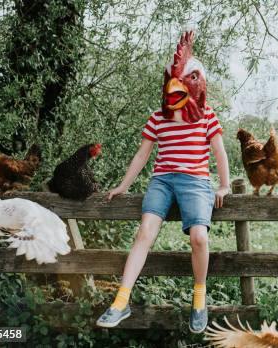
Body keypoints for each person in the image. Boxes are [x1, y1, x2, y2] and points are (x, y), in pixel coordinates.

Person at [96, 31, 230, 334]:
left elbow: (219, 151)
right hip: (162, 180)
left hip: (195, 181)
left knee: (199, 237)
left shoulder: (207, 116)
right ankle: (121, 301)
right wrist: (123, 186)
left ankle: (199, 297)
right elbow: (142, 156)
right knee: (144, 232)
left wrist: (224, 185)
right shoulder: (158, 117)